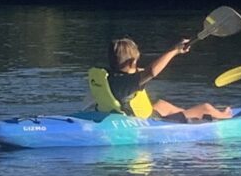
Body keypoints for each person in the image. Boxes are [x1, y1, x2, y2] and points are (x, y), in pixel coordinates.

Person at [90, 37, 232, 121]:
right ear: (132, 62)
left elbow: (140, 72)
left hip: (122, 114)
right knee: (206, 107)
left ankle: (188, 118)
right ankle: (225, 117)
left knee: (162, 104)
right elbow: (151, 71)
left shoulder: (108, 76)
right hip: (144, 122)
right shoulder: (129, 83)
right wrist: (175, 50)